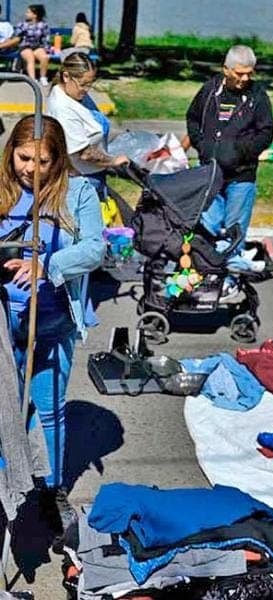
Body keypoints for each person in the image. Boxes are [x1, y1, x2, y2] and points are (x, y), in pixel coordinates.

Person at [0, 115, 105, 533]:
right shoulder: (3, 191)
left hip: (52, 322)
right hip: (4, 325)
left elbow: (95, 248)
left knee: (48, 410)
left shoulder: (77, 194)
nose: (30, 169)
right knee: (5, 407)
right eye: (24, 158)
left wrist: (48, 265)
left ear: (58, 161)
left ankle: (51, 489)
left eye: (42, 161)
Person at [186, 44, 273, 253]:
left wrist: (241, 152)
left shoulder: (258, 96)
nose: (244, 79)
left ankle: (230, 279)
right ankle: (207, 274)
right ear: (226, 69)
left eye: (249, 74)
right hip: (210, 172)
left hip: (241, 176)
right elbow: (193, 119)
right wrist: (203, 146)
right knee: (208, 226)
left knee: (234, 230)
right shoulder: (209, 91)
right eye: (239, 73)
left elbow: (266, 133)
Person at [45, 52, 128, 200]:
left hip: (93, 173)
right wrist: (113, 161)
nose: (87, 89)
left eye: (90, 83)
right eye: (83, 84)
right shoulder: (62, 108)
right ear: (66, 77)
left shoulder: (75, 93)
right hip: (81, 179)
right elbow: (84, 153)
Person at [0, 4, 51, 87]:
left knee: (44, 57)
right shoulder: (23, 25)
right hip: (25, 46)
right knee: (30, 57)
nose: (26, 14)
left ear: (35, 15)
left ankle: (43, 77)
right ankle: (33, 80)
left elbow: (45, 38)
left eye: (28, 12)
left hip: (37, 46)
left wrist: (46, 48)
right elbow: (16, 37)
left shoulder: (43, 25)